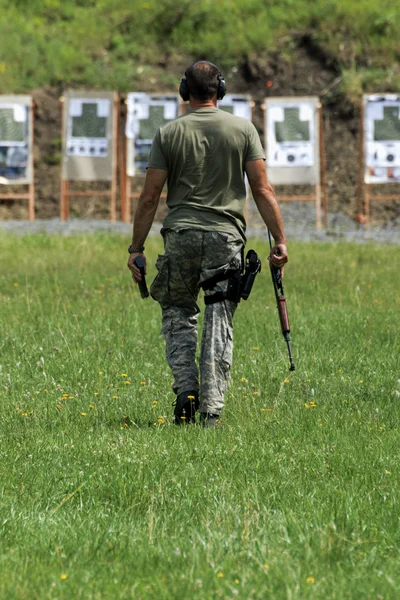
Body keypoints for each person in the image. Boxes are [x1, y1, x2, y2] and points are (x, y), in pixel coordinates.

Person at [127, 60, 288, 427]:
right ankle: (211, 410)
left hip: (180, 236)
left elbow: (150, 197)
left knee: (177, 311)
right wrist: (279, 239)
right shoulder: (243, 129)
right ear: (222, 89)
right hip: (225, 239)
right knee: (218, 318)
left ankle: (186, 391)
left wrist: (136, 249)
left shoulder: (168, 134)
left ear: (185, 90)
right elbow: (262, 190)